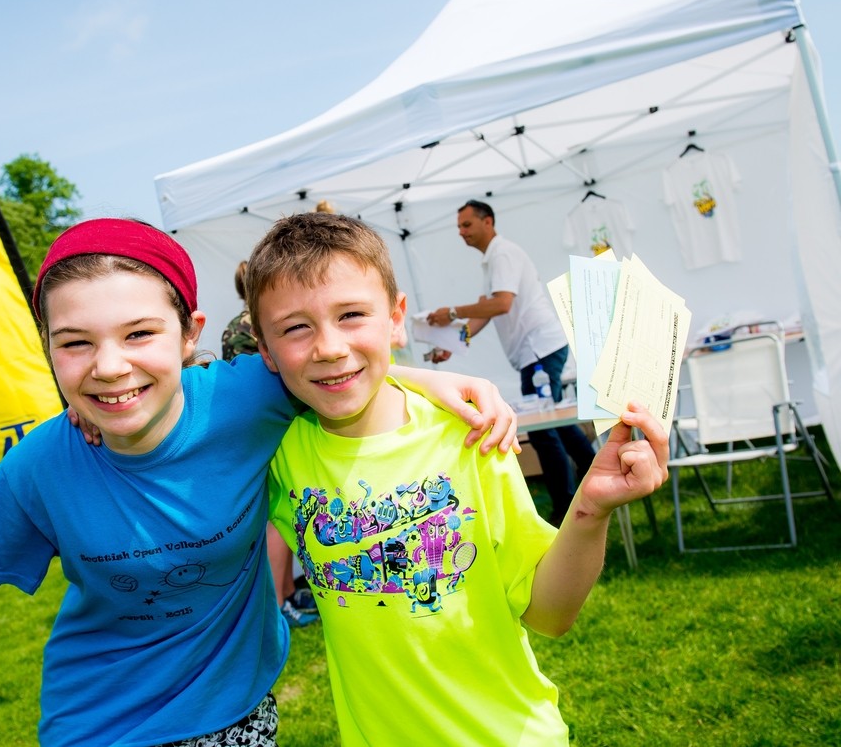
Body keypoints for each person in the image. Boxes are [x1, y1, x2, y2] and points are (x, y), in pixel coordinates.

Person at [0, 217, 520, 747]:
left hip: (237, 714)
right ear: (48, 352)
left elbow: (335, 365)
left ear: (189, 334)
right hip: (99, 727)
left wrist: (434, 377)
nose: (109, 366)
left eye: (138, 334)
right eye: (75, 343)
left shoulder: (246, 396)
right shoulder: (41, 464)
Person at [248, 211, 668, 746]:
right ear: (265, 348)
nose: (329, 346)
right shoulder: (280, 453)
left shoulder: (469, 435)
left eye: (352, 314)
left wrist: (589, 511)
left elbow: (550, 613)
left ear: (396, 318)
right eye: (296, 328)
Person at [427, 199, 597, 523]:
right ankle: (595, 480)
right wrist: (454, 344)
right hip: (538, 351)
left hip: (539, 350)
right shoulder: (492, 260)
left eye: (466, 225)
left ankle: (566, 510)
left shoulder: (502, 253)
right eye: (459, 227)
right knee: (557, 424)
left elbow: (501, 304)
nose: (461, 233)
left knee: (545, 431)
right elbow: (487, 311)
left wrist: (450, 313)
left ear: (487, 222)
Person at [222, 259, 318, 628]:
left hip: (262, 426)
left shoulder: (240, 324)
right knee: (276, 521)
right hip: (274, 427)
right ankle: (281, 602)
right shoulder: (256, 325)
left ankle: (286, 595)